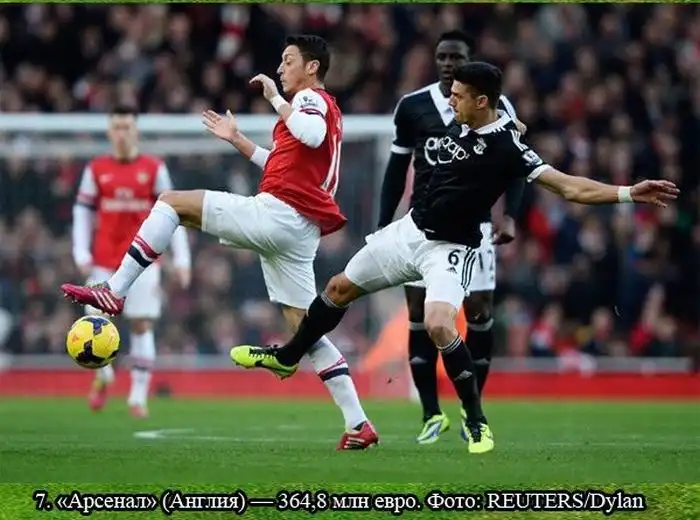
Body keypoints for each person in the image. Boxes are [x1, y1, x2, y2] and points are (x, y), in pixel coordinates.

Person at [229, 61, 679, 455]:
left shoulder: (508, 147)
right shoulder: (463, 122)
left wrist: (627, 193)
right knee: (337, 289)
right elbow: (484, 124)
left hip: (450, 249)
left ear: (482, 102)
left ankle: (476, 419)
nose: (450, 101)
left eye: (459, 96)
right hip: (409, 231)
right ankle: (288, 356)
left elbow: (569, 186)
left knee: (440, 325)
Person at [62, 35, 378, 450]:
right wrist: (237, 139)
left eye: (288, 61)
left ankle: (115, 291)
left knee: (171, 203)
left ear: (312, 67)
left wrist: (273, 97)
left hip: (279, 214)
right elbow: (281, 162)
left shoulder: (309, 101)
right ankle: (358, 423)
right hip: (299, 230)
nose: (280, 69)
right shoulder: (320, 110)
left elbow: (313, 134)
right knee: (304, 329)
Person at [378, 30, 527, 444]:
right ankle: (430, 413)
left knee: (478, 312)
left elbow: (517, 166)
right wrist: (383, 223)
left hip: (474, 227)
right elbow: (396, 170)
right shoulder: (412, 107)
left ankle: (470, 408)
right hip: (421, 225)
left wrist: (509, 217)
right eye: (442, 56)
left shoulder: (496, 108)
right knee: (419, 314)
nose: (447, 64)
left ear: (468, 61)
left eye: (455, 57)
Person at [71, 105, 192, 418]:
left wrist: (182, 258)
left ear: (136, 130)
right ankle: (104, 375)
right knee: (94, 324)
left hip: (143, 262)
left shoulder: (153, 168)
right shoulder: (96, 169)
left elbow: (175, 213)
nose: (122, 133)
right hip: (103, 261)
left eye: (126, 127)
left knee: (142, 324)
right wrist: (80, 252)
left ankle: (137, 398)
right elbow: (82, 211)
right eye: (117, 127)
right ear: (109, 131)